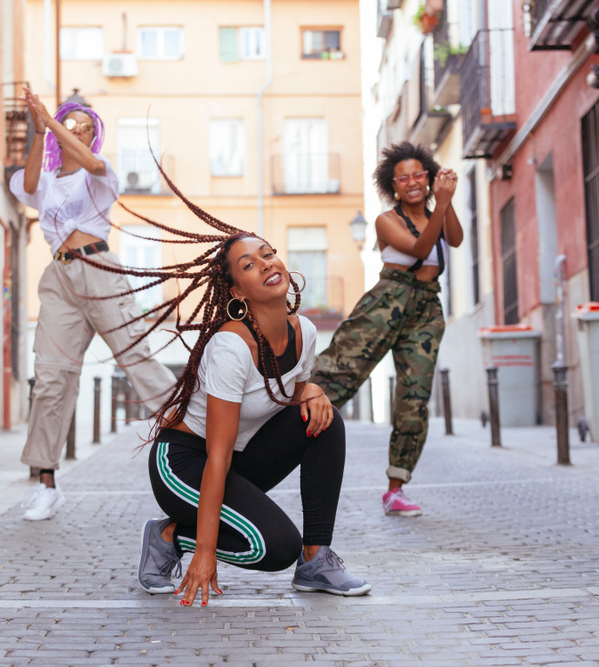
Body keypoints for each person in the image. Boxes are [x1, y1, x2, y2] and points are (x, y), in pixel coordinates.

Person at [132, 231, 371, 605]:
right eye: (249, 265)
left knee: (325, 420)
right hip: (185, 464)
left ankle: (315, 561)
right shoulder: (231, 347)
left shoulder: (304, 332)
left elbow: (287, 396)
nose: (265, 265)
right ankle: (169, 537)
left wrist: (311, 389)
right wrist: (205, 551)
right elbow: (218, 456)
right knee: (275, 547)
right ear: (238, 292)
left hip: (235, 459)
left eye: (268, 254)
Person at [9, 89, 175, 521]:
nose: (79, 131)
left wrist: (52, 119)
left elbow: (95, 163)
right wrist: (40, 129)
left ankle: (200, 439)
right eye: (73, 124)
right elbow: (27, 187)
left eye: (86, 128)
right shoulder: (46, 180)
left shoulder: (99, 175)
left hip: (99, 268)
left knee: (137, 356)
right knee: (50, 378)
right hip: (58, 279)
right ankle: (46, 482)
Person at [310, 141, 462, 518]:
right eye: (404, 177)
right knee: (337, 375)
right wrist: (440, 203)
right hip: (388, 301)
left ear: (428, 178)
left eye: (419, 175)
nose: (412, 182)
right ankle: (272, 439)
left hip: (428, 307)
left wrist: (445, 201)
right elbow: (419, 250)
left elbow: (454, 239)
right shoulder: (385, 221)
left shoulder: (437, 208)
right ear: (393, 186)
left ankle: (396, 487)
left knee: (415, 396)